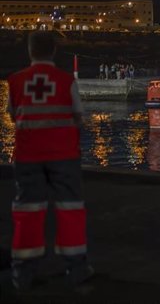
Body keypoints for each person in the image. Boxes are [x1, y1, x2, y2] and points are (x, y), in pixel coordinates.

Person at [6, 31, 94, 291]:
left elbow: (13, 115)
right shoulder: (66, 80)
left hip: (26, 156)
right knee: (70, 209)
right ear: (54, 50)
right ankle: (76, 267)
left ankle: (23, 272)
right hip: (63, 156)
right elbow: (78, 116)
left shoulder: (14, 80)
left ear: (30, 51)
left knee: (27, 210)